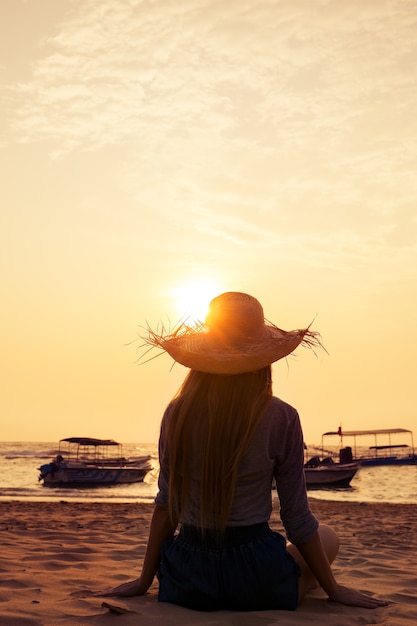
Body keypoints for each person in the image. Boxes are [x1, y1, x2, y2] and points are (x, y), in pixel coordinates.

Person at [102, 292, 388, 611]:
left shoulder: (177, 414)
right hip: (254, 573)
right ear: (263, 359)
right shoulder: (282, 417)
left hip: (188, 575)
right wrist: (333, 588)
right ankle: (303, 586)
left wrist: (144, 581)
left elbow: (167, 506)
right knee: (328, 535)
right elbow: (296, 519)